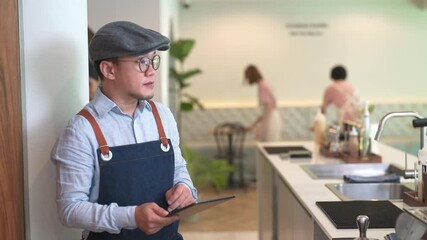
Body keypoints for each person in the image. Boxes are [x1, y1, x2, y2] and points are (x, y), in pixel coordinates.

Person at [51, 21, 197, 240]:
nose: (151, 71)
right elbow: (70, 210)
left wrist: (185, 188)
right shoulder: (82, 130)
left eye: (153, 60)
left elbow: (179, 170)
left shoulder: (162, 116)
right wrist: (132, 216)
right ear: (109, 69)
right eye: (141, 62)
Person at [244, 65, 283, 141]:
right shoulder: (264, 84)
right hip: (271, 118)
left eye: (247, 77)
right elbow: (265, 111)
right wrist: (253, 125)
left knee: (270, 147)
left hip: (271, 120)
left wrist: (261, 128)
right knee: (268, 146)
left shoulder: (262, 86)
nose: (247, 80)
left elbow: (269, 107)